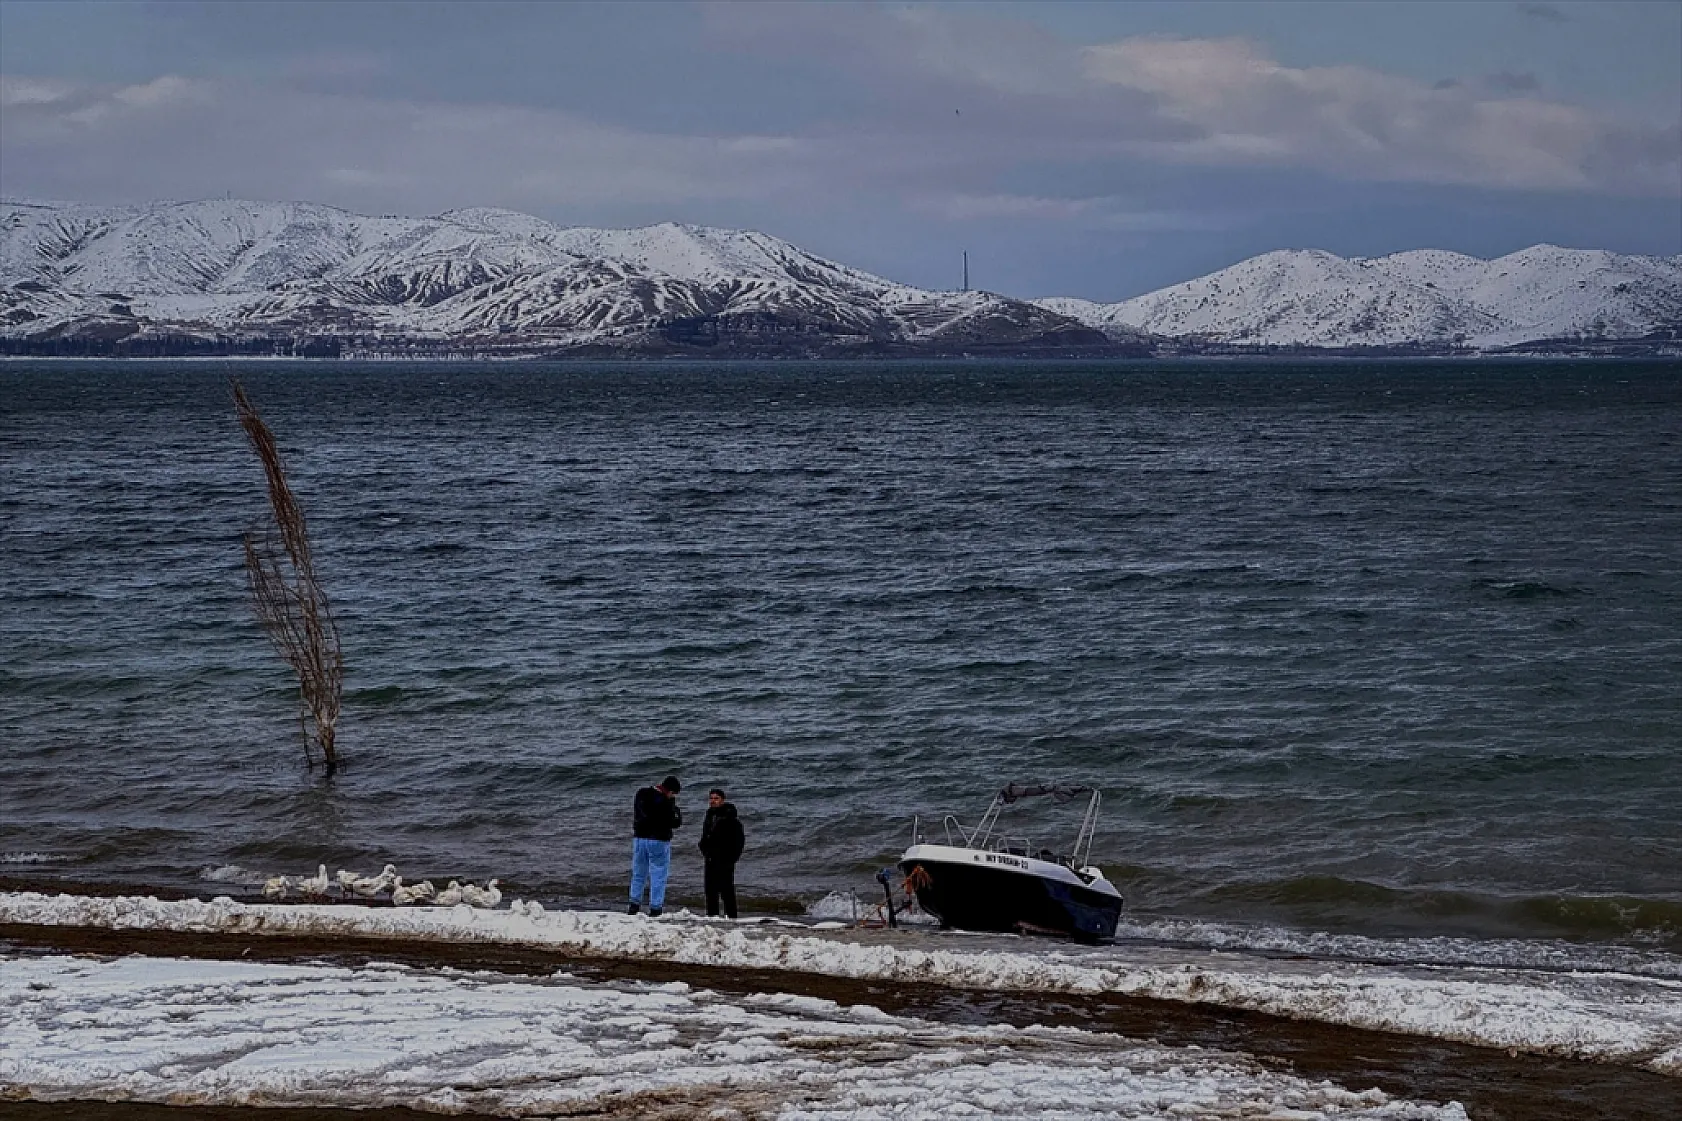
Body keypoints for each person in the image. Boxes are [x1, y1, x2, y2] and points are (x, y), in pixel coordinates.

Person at [629, 775, 682, 916]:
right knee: (658, 874)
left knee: (638, 873)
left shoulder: (641, 793)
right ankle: (655, 907)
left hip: (640, 837)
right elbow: (673, 822)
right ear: (670, 791)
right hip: (658, 839)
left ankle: (634, 904)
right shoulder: (665, 801)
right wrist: (675, 809)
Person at [697, 787, 745, 919]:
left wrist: (732, 858)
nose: (713, 801)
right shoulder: (709, 816)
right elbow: (705, 836)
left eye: (716, 798)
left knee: (726, 890)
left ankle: (732, 916)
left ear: (722, 800)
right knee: (710, 890)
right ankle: (712, 916)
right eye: (711, 798)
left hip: (725, 859)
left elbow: (739, 841)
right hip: (710, 858)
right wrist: (703, 848)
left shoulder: (730, 818)